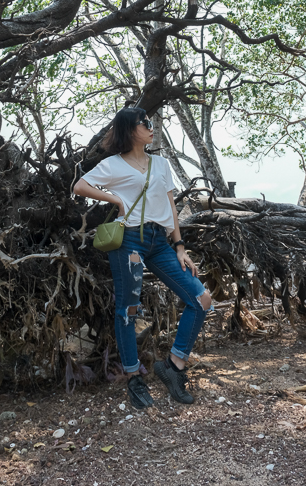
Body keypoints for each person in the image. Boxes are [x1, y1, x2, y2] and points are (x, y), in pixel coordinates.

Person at [73, 107, 212, 409]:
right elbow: (80, 186)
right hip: (130, 241)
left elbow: (171, 207)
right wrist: (116, 200)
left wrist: (180, 246)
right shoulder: (113, 164)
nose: (151, 127)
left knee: (200, 298)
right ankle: (134, 378)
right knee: (128, 309)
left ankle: (173, 366)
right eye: (145, 123)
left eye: (151, 122)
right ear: (129, 129)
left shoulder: (160, 164)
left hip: (159, 241)